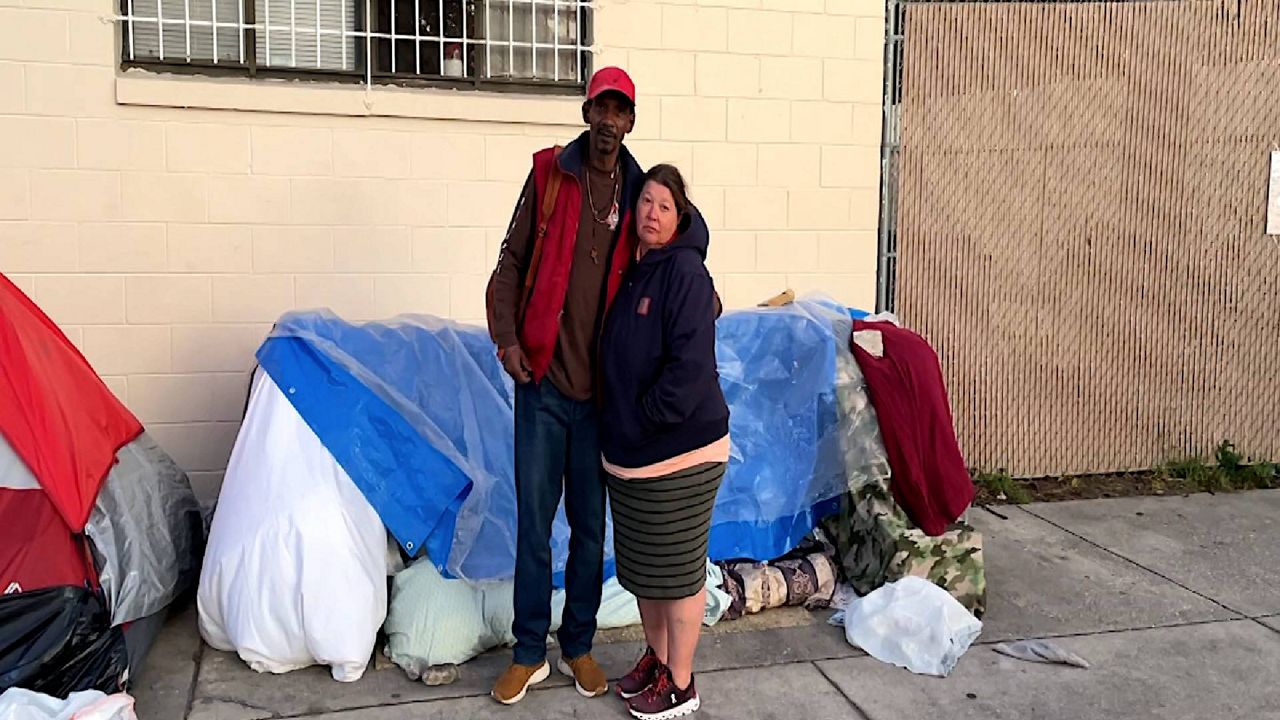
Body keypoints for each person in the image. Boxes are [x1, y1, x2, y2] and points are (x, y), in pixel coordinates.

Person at [484, 66, 644, 705]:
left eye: (620, 111)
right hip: (543, 385)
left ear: (631, 121)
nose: (609, 120)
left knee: (588, 528)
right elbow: (510, 262)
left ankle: (577, 644)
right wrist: (508, 340)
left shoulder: (638, 189)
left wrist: (700, 291)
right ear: (587, 113)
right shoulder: (551, 173)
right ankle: (529, 652)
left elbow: (684, 235)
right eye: (600, 108)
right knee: (532, 523)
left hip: (599, 397)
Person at [599, 165, 730, 720]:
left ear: (680, 218)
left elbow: (691, 367)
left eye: (664, 206)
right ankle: (656, 659)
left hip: (680, 452)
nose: (651, 213)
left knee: (676, 571)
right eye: (645, 202)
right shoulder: (634, 270)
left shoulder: (684, 273)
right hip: (633, 456)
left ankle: (681, 682)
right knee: (646, 571)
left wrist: (646, 417)